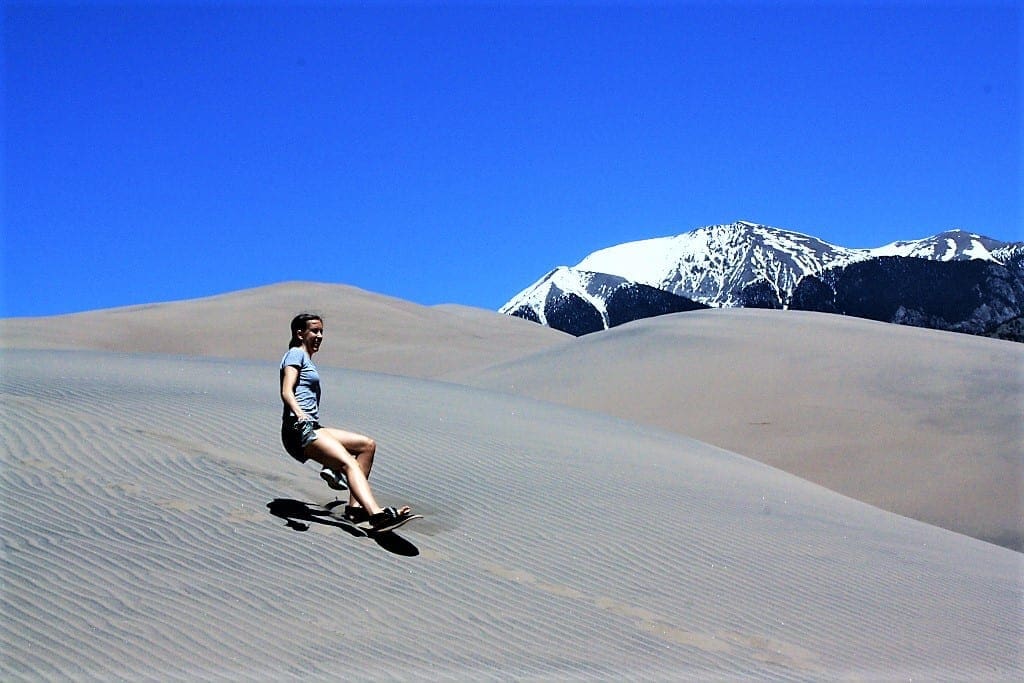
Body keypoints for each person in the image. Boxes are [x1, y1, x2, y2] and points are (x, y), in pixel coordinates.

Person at [279, 312, 413, 532]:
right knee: (349, 464)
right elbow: (287, 390)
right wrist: (299, 413)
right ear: (299, 333)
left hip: (312, 426)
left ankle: (355, 509)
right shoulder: (295, 354)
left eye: (322, 331)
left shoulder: (305, 359)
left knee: (366, 445)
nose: (320, 335)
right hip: (298, 428)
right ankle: (377, 515)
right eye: (314, 331)